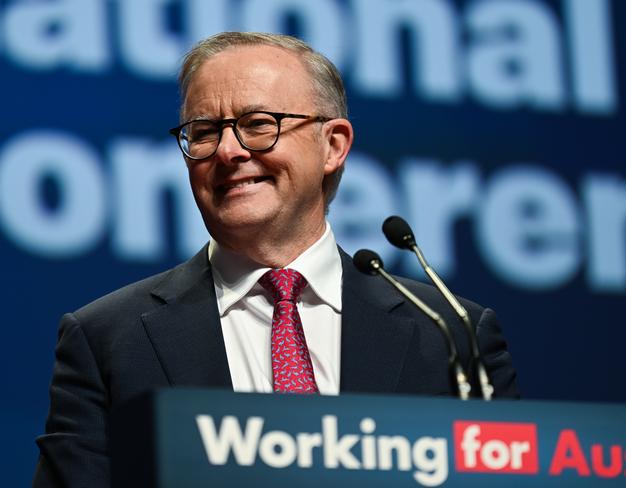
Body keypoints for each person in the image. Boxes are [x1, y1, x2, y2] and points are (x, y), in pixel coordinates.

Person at [33, 32, 518, 487]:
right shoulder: (107, 338)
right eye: (203, 131)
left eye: (257, 125)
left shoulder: (451, 334)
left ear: (333, 145)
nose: (227, 151)